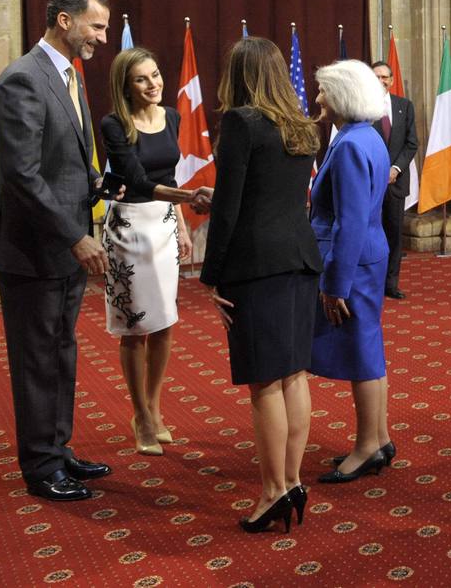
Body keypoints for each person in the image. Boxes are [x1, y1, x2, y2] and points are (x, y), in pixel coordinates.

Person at [0, 0, 115, 502]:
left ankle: (58, 450)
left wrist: (99, 187)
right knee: (37, 357)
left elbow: (64, 165)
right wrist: (76, 237)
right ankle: (40, 468)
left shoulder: (67, 77)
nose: (103, 38)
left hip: (63, 247)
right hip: (34, 250)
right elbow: (21, 177)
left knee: (61, 351)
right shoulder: (22, 80)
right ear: (64, 20)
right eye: (97, 26)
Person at [200, 37, 322, 535]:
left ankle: (273, 491)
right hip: (300, 260)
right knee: (294, 375)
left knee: (264, 383)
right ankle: (291, 481)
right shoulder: (303, 127)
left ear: (239, 75)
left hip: (256, 268)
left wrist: (211, 278)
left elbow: (229, 207)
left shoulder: (241, 122)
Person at [100, 48, 207, 455]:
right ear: (126, 85)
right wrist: (190, 196)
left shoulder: (173, 116)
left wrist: (180, 223)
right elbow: (139, 180)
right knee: (134, 327)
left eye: (156, 74)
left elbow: (168, 174)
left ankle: (154, 408)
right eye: (142, 79)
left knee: (164, 321)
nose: (153, 84)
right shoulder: (114, 124)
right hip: (129, 229)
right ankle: (140, 414)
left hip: (163, 226)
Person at [309, 60, 396, 482]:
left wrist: (334, 285)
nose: (318, 98)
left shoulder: (348, 145)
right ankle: (378, 438)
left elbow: (350, 221)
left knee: (361, 353)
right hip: (369, 256)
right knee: (369, 347)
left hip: (352, 261)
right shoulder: (368, 136)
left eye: (323, 90)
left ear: (342, 94)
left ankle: (365, 447)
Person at [371, 60, 419, 299]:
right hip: (370, 183)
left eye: (384, 77)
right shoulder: (362, 107)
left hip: (395, 182)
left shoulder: (404, 106)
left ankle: (390, 284)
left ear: (391, 80)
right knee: (370, 233)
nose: (381, 81)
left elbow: (412, 143)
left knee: (393, 234)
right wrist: (379, 170)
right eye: (376, 77)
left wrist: (396, 168)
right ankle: (372, 283)